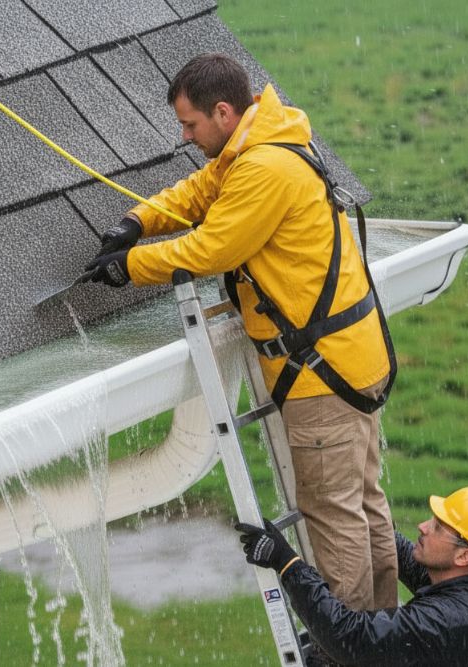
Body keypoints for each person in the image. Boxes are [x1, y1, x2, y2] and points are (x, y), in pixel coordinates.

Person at [79, 53, 397, 610]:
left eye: (190, 124)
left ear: (223, 112)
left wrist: (129, 267)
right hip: (349, 356)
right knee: (363, 506)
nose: (184, 135)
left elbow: (213, 247)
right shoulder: (262, 139)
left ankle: (350, 645)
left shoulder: (263, 168)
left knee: (332, 517)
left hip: (322, 377)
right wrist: (137, 220)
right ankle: (380, 635)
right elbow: (201, 192)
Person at [236, 486, 468, 666]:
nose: (422, 526)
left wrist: (287, 564)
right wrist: (377, 532)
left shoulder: (445, 622)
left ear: (464, 556)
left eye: (437, 527)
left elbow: (348, 637)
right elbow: (415, 566)